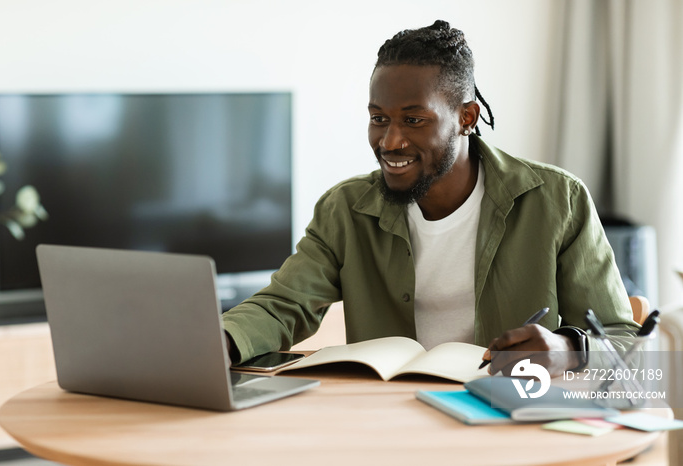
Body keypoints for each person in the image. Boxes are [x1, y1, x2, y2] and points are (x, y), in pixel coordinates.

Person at [223, 20, 638, 376]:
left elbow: (625, 343)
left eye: (414, 120)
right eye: (378, 119)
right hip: (388, 421)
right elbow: (283, 306)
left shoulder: (558, 200)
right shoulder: (345, 209)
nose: (390, 141)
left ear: (466, 118)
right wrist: (216, 341)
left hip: (508, 416)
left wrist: (568, 350)